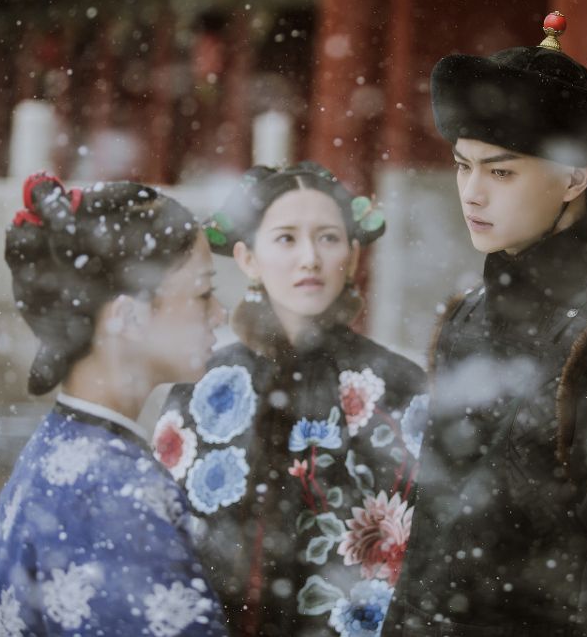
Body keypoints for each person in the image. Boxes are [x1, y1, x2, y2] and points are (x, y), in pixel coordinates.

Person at [384, 13, 587, 637]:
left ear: (574, 177)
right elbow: (431, 542)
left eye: (500, 171)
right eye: (462, 166)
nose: (471, 193)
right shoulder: (467, 315)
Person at [154, 162, 428, 636]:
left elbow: (427, 551)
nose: (310, 258)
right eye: (286, 238)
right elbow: (165, 546)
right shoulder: (201, 387)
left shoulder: (398, 385)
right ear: (247, 258)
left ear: (353, 254)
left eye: (328, 238)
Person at [0, 173, 229, 637]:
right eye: (203, 293)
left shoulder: (58, 446)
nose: (219, 313)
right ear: (128, 316)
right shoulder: (117, 494)